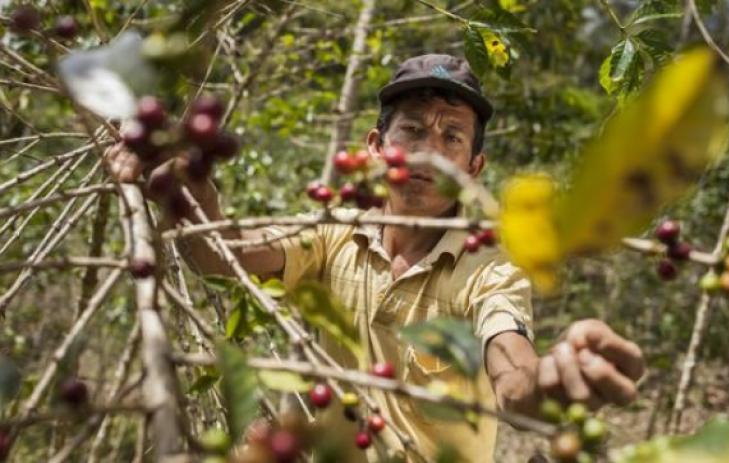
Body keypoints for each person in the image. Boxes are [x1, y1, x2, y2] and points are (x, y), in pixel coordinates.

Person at [106, 54, 644, 462]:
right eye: (411, 129)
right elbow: (227, 257)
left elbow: (511, 371)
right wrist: (194, 193)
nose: (427, 151)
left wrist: (545, 383)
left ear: (474, 167)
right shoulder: (333, 231)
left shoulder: (489, 267)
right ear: (374, 145)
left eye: (451, 136)